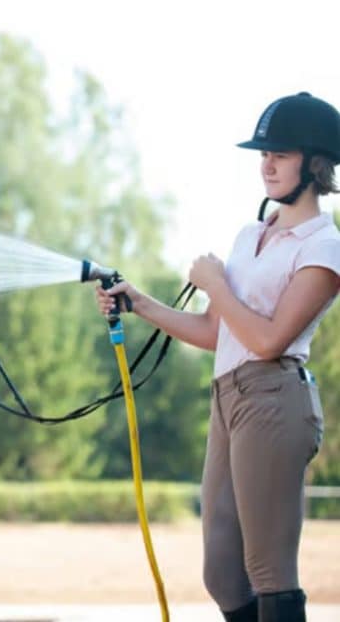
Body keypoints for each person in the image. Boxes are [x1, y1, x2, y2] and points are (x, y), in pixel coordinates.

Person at [96, 92, 340, 622]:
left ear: (315, 164)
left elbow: (270, 339)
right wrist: (139, 302)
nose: (267, 164)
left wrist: (212, 282)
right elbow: (216, 331)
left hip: (275, 398)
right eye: (263, 154)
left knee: (269, 570)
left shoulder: (324, 245)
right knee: (222, 572)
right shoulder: (251, 235)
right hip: (229, 396)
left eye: (281, 153)